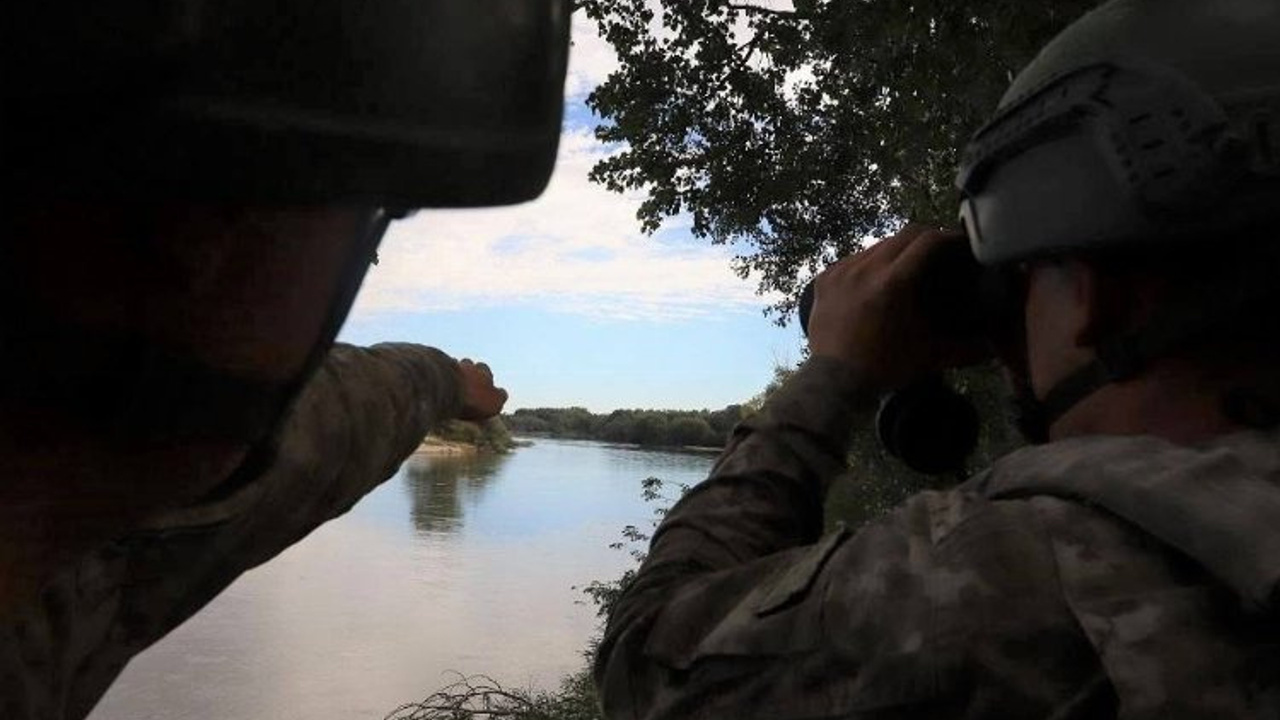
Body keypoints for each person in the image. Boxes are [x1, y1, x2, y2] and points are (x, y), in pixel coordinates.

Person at [594, 0, 1280, 717]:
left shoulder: (1039, 567)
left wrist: (833, 377)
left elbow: (646, 668)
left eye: (1019, 279)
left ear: (1092, 293)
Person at [0, 2, 569, 718]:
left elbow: (342, 414)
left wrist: (445, 380)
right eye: (369, 211)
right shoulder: (97, 543)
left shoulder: (71, 537)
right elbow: (321, 429)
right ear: (207, 239)